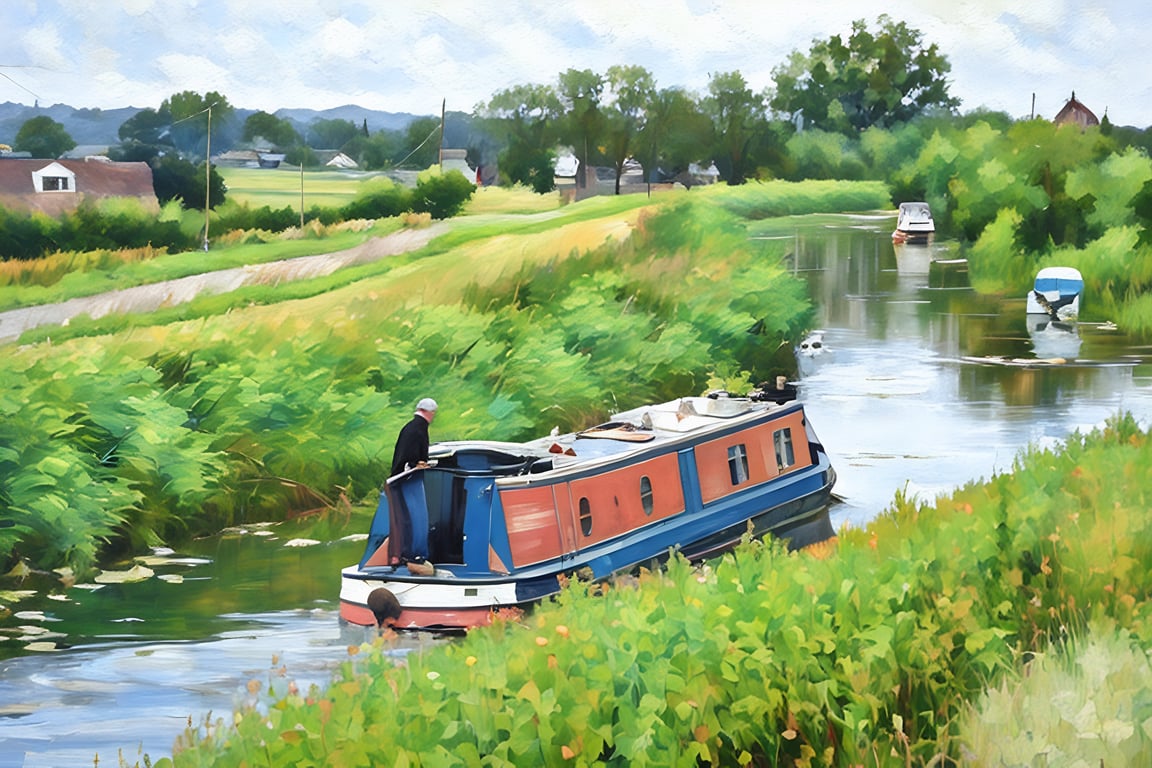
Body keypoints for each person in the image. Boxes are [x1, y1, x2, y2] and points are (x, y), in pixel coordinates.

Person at [390, 397, 437, 476]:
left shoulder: (411, 427)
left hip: (399, 474)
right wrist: (415, 464)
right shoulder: (418, 429)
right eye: (433, 412)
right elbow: (411, 457)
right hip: (407, 476)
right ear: (430, 412)